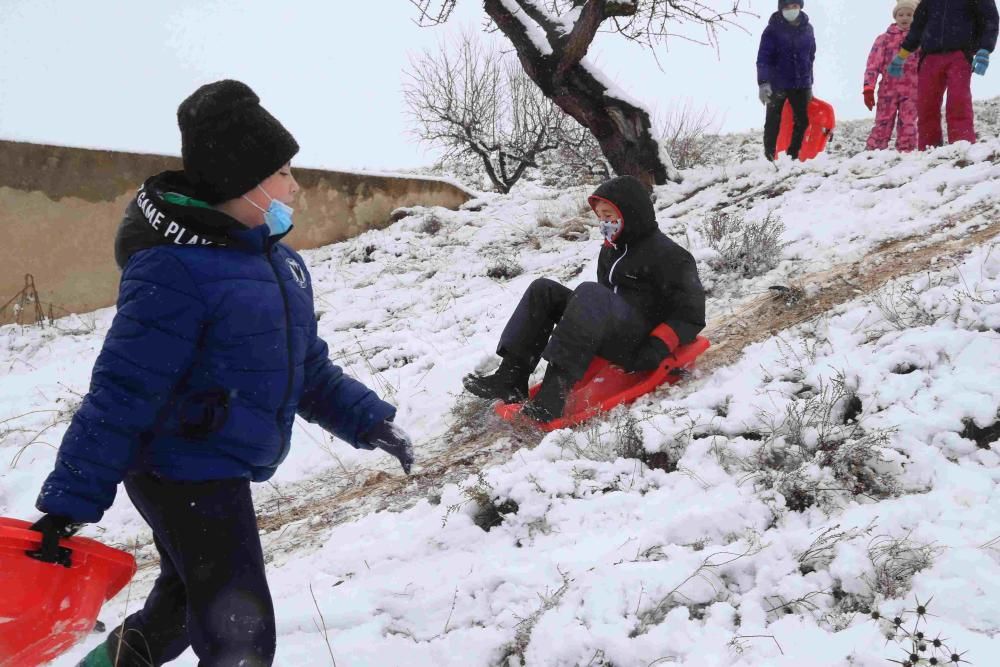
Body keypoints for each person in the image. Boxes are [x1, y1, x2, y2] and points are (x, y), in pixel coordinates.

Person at [27, 80, 414, 667]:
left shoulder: (281, 265)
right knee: (240, 629)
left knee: (183, 606)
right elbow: (122, 392)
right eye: (283, 171)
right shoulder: (172, 270)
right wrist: (68, 503)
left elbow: (306, 369)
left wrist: (369, 423)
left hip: (216, 462)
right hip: (177, 468)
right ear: (242, 181)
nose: (295, 185)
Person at [463, 175, 706, 423]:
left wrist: (656, 348)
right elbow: (605, 299)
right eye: (600, 217)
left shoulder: (671, 255)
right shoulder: (611, 250)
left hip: (641, 342)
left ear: (632, 213)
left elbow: (691, 314)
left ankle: (553, 396)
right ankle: (511, 377)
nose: (604, 223)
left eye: (610, 216)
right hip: (614, 331)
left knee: (590, 293)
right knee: (543, 290)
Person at [888, 0, 999, 148]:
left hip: (960, 54)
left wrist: (985, 49)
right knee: (926, 105)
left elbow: (990, 19)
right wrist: (902, 55)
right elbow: (917, 27)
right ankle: (928, 147)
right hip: (929, 57)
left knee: (958, 101)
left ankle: (961, 145)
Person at [756, 1, 817, 161]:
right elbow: (763, 59)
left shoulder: (808, 29)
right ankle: (769, 156)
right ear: (781, 9)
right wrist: (763, 83)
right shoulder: (772, 30)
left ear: (800, 7)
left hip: (800, 84)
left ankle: (792, 156)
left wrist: (809, 83)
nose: (791, 10)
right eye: (787, 7)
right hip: (777, 84)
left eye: (794, 6)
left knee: (802, 121)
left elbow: (810, 58)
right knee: (773, 122)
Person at [864, 1, 921, 152]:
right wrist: (868, 87)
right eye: (901, 14)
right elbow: (873, 64)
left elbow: (927, 64)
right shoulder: (884, 39)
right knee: (883, 121)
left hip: (912, 90)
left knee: (908, 123)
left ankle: (906, 152)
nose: (905, 18)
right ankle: (874, 151)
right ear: (895, 17)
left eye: (909, 15)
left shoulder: (920, 40)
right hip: (888, 90)